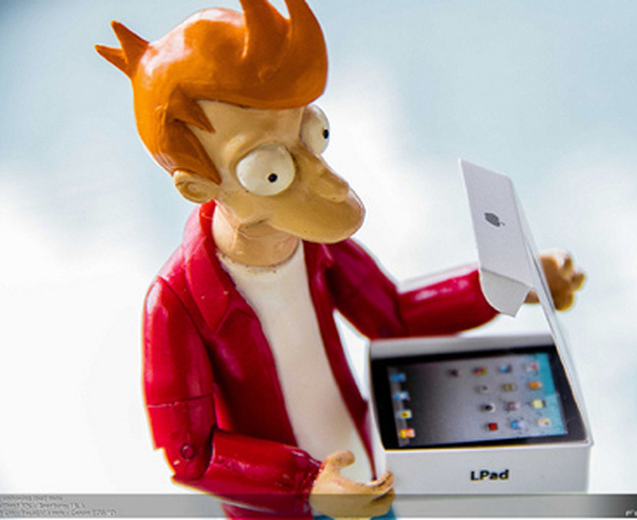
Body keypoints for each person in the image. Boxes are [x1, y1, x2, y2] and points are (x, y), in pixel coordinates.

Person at [96, 1, 584, 518]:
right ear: (198, 187)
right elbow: (191, 455)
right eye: (270, 172)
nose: (328, 183)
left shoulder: (315, 247)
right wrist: (304, 484)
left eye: (314, 134)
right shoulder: (176, 304)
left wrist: (507, 282)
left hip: (369, 475)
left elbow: (392, 316)